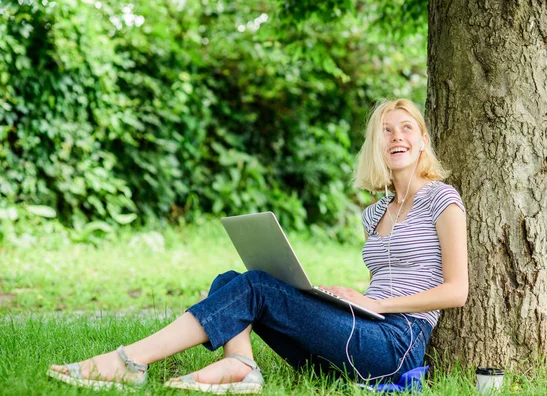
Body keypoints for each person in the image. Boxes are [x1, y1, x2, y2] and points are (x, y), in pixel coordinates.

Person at [47, 98, 468, 393]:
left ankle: (130, 362)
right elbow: (387, 276)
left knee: (254, 287)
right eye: (386, 131)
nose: (396, 137)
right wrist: (337, 301)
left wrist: (374, 305)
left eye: (406, 128)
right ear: (376, 144)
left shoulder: (442, 199)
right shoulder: (373, 214)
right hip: (362, 331)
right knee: (230, 280)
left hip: (397, 346)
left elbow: (456, 291)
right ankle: (242, 367)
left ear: (423, 139)